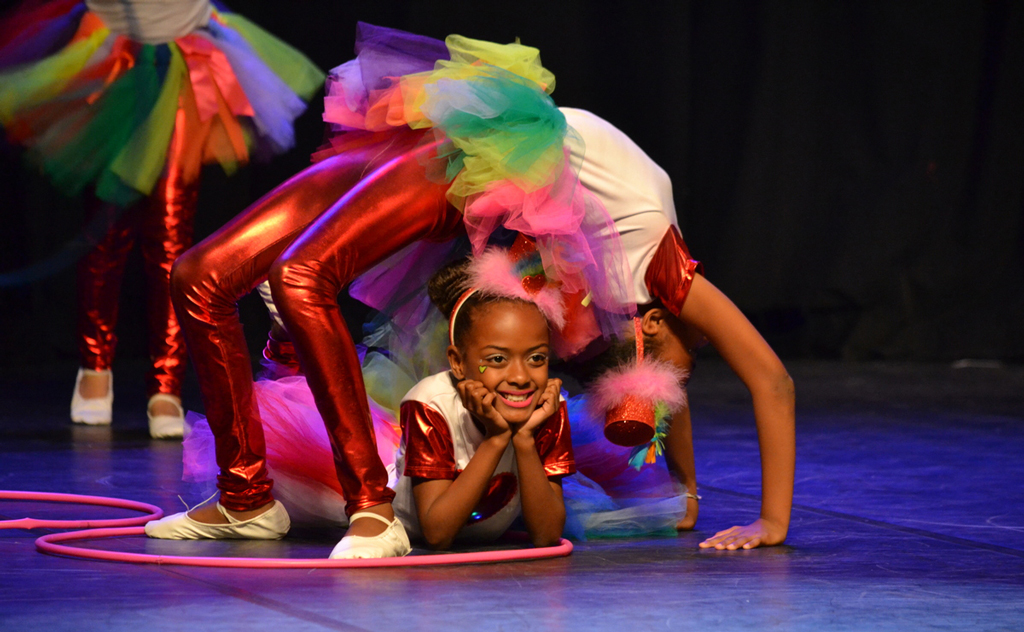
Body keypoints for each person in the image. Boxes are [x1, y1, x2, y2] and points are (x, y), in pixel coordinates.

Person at [144, 26, 600, 558]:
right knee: (197, 275)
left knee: (299, 276)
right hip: (428, 126)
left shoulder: (602, 183)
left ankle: (373, 507)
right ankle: (245, 497)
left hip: (484, 151)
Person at [0, 0, 324, 437]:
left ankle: (166, 385)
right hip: (114, 54)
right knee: (106, 234)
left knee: (171, 236)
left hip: (181, 48)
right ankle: (94, 368)